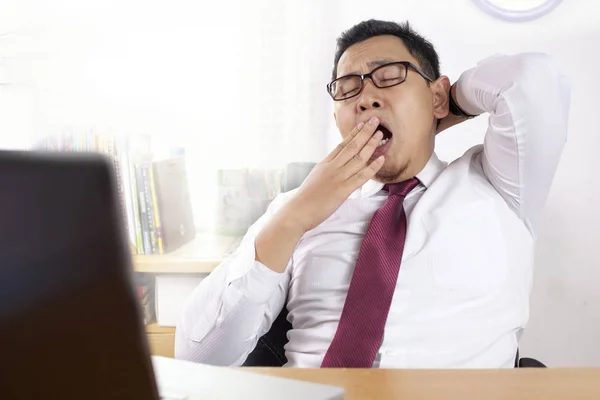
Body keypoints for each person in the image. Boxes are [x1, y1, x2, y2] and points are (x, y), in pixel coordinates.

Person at [175, 19, 570, 368]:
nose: (365, 98)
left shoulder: (500, 188)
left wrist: (440, 111)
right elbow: (198, 357)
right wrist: (294, 218)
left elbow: (532, 79)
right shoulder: (296, 208)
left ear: (436, 96)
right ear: (337, 119)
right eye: (348, 89)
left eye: (390, 75)